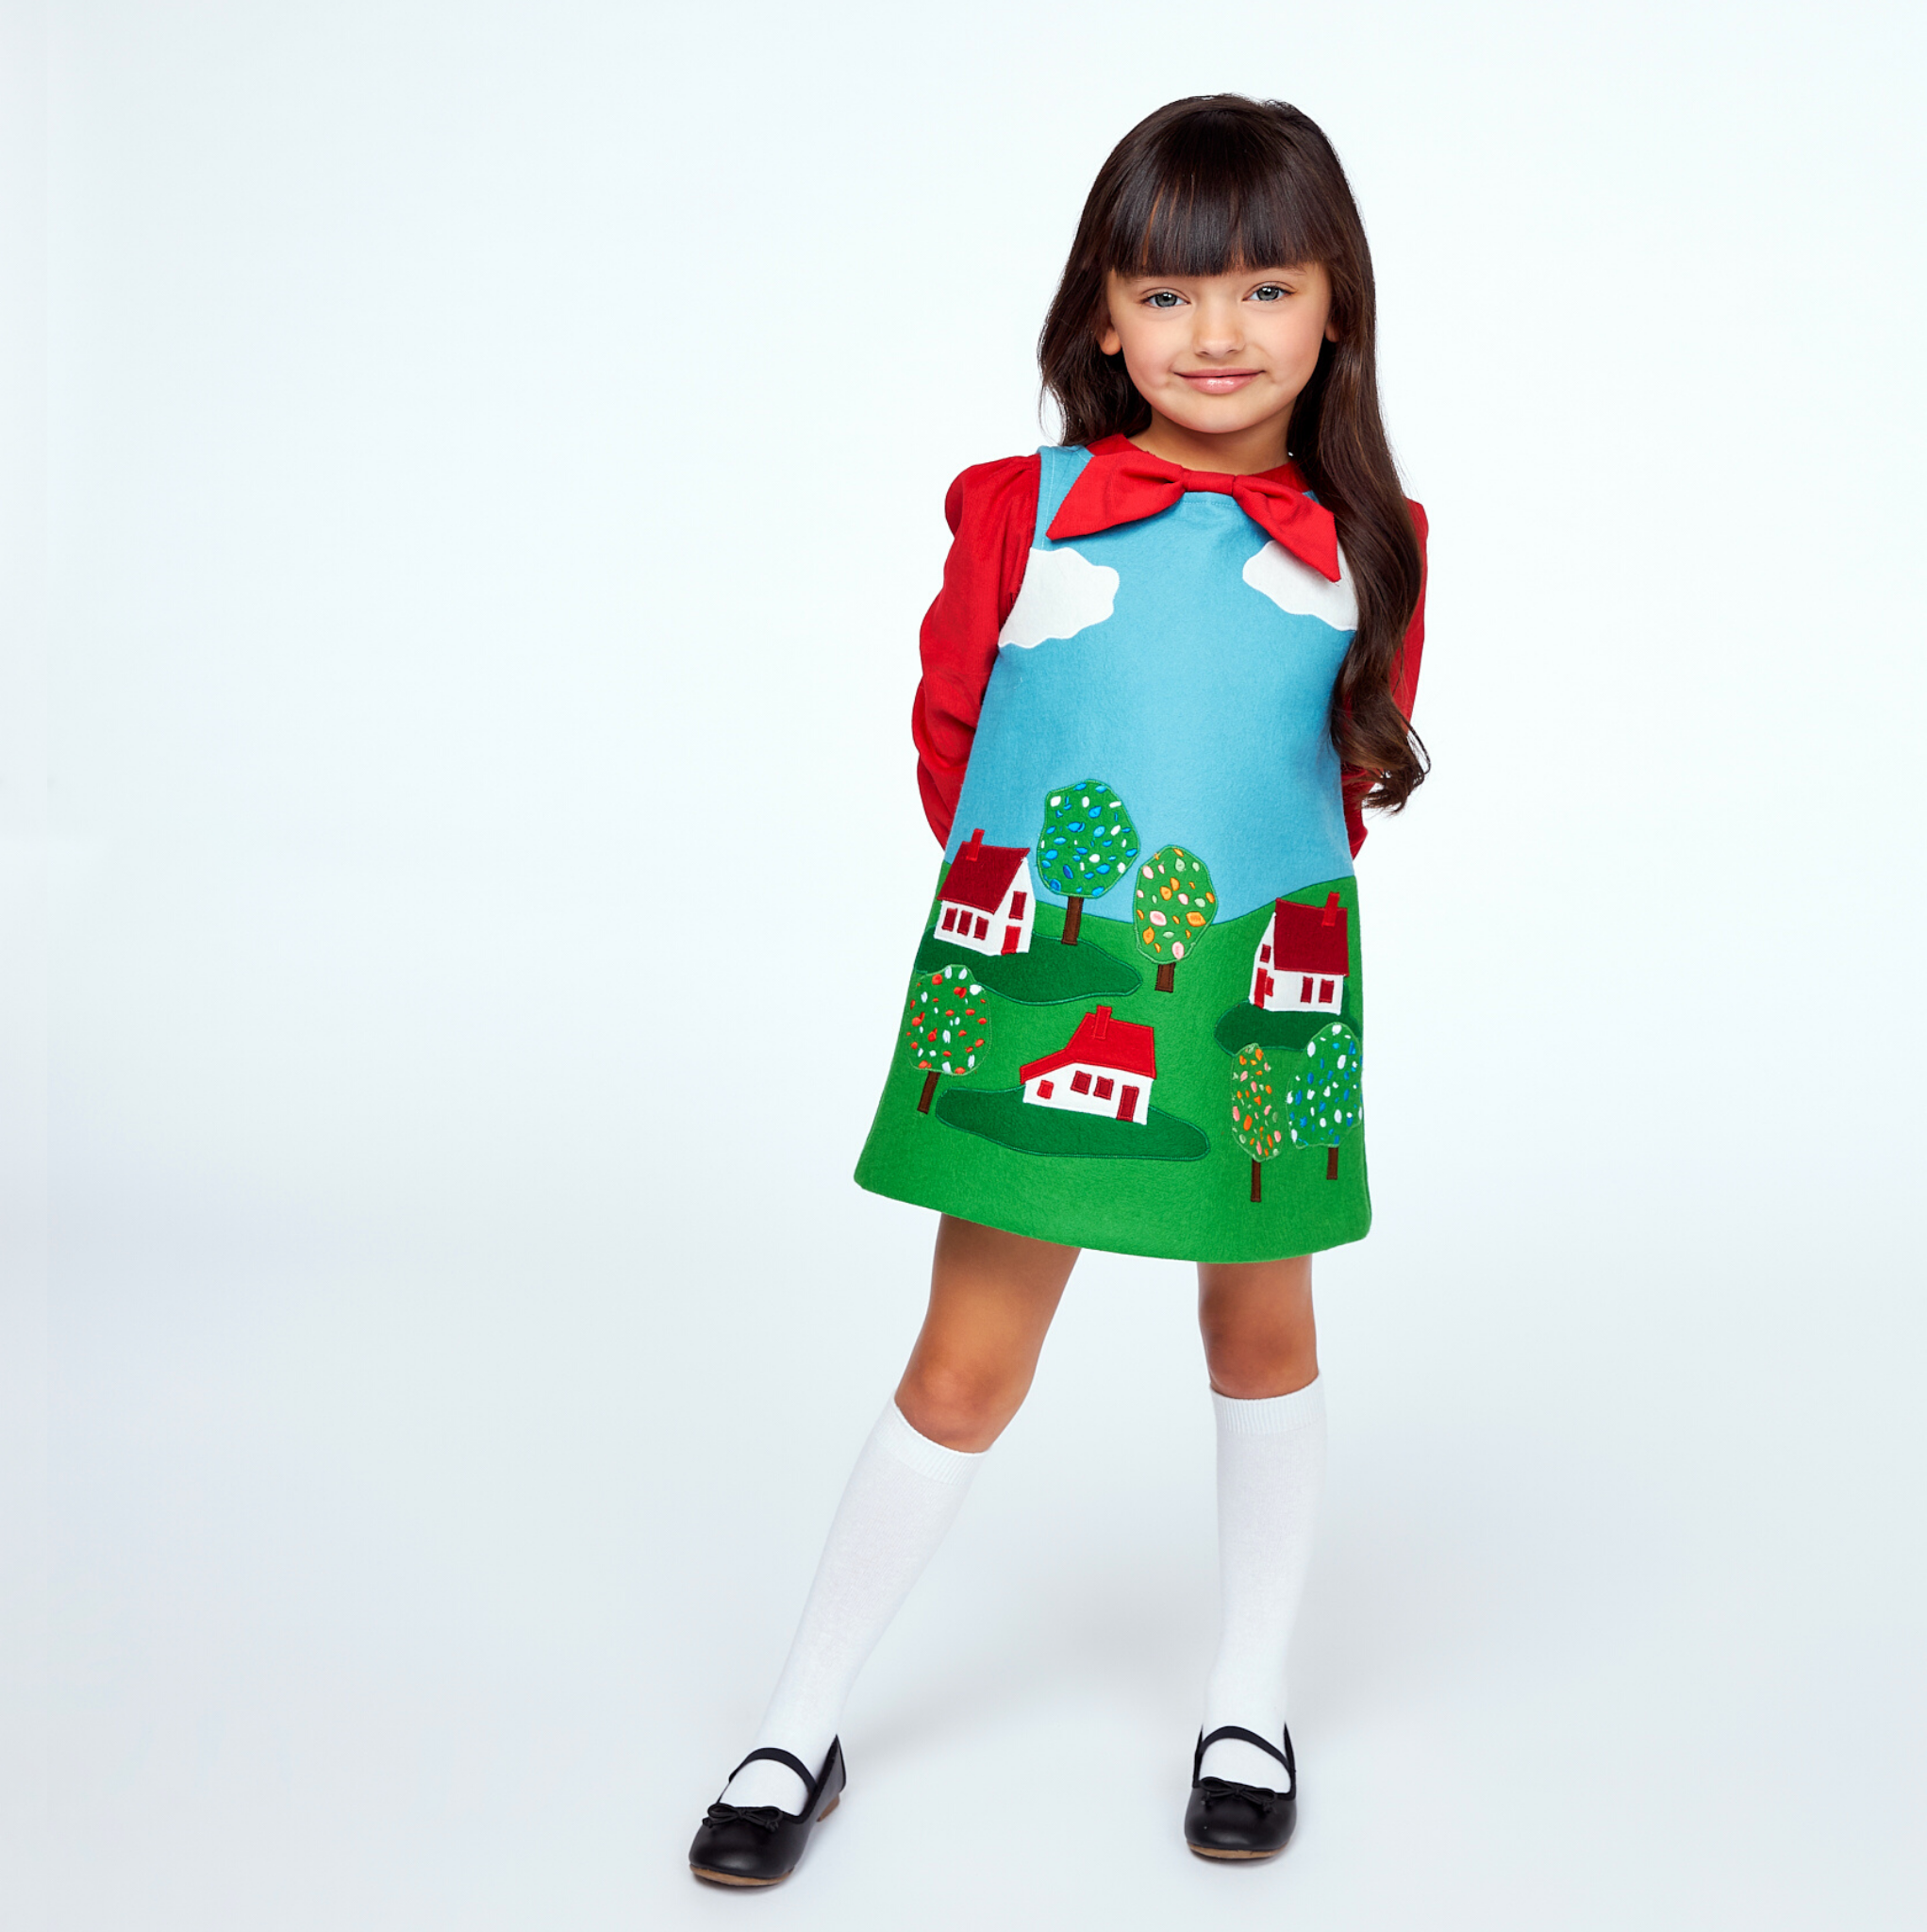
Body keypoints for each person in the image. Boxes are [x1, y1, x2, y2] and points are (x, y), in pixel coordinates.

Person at [689, 92, 1430, 1887]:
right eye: (1168, 296)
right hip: (1042, 985)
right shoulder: (1015, 509)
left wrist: (1224, 939)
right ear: (1100, 315)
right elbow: (958, 741)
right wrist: (1053, 921)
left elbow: (1335, 773)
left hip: (1253, 994)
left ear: (1337, 307)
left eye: (1264, 286)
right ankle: (800, 1714)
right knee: (964, 1359)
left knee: (1261, 1333)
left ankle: (1246, 1700)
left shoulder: (1374, 537)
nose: (1220, 334)